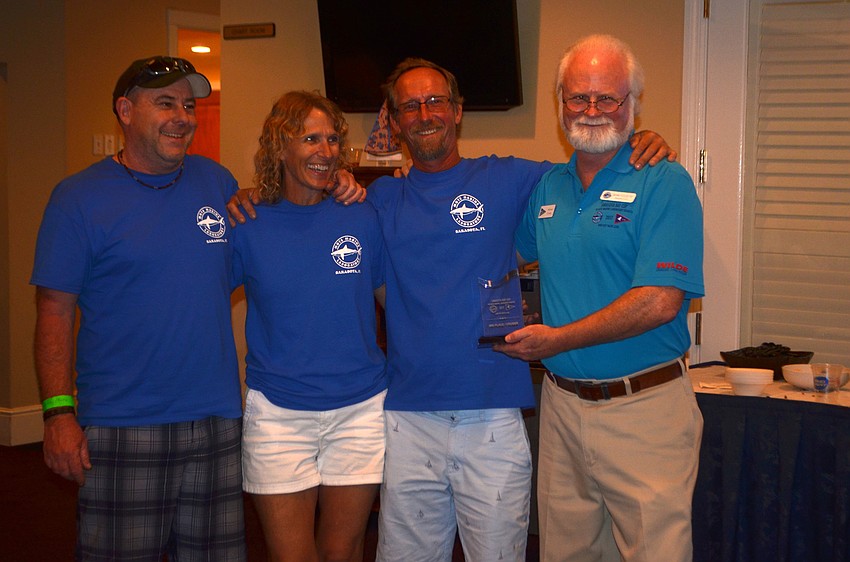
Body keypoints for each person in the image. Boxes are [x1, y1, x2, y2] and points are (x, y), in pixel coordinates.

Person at [227, 58, 674, 562]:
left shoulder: (510, 180)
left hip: (492, 415)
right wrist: (249, 196)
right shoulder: (377, 200)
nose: (425, 114)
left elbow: (587, 167)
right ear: (394, 122)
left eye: (436, 101)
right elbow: (309, 215)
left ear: (458, 112)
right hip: (404, 417)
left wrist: (636, 140)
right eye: (410, 106)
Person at [29, 56, 364, 562]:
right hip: (124, 423)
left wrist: (337, 183)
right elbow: (53, 311)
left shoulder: (216, 182)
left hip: (217, 421)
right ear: (124, 110)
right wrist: (58, 414)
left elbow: (274, 219)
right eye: (165, 104)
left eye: (189, 105)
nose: (183, 116)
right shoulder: (79, 199)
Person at [495, 35, 705, 562]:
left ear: (632, 103)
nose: (592, 111)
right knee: (567, 553)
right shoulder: (548, 188)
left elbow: (658, 301)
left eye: (607, 97)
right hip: (562, 409)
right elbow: (502, 263)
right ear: (559, 102)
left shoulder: (664, 181)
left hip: (645, 411)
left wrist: (555, 339)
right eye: (578, 97)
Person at [232, 90, 387, 562]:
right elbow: (197, 299)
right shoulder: (246, 220)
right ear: (280, 147)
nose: (325, 151)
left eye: (333, 140)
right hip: (279, 414)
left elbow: (394, 303)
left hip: (360, 410)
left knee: (343, 551)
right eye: (310, 139)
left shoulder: (360, 214)